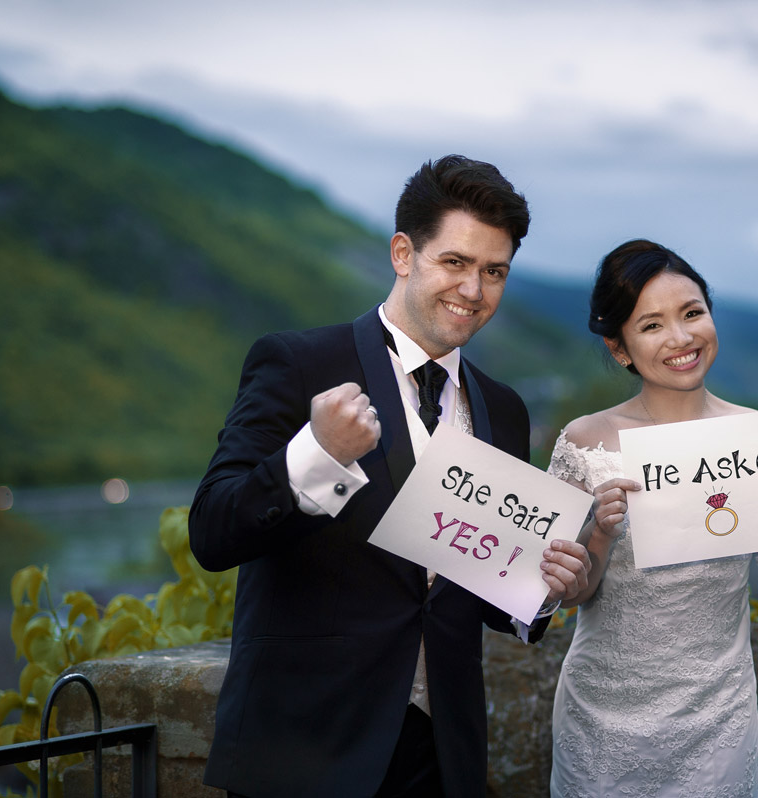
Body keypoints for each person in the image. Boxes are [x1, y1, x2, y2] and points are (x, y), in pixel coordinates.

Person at [189, 154, 591, 798]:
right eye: (454, 263)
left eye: (494, 272)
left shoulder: (504, 408)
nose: (473, 289)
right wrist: (318, 453)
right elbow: (212, 531)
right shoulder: (297, 363)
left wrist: (543, 588)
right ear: (404, 254)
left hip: (442, 757)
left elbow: (481, 588)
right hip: (306, 752)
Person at [547, 239, 758, 797]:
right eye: (651, 325)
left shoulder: (757, 439)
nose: (681, 339)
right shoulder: (585, 441)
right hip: (602, 712)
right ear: (620, 346)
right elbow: (567, 594)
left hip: (718, 713)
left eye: (692, 314)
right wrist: (600, 531)